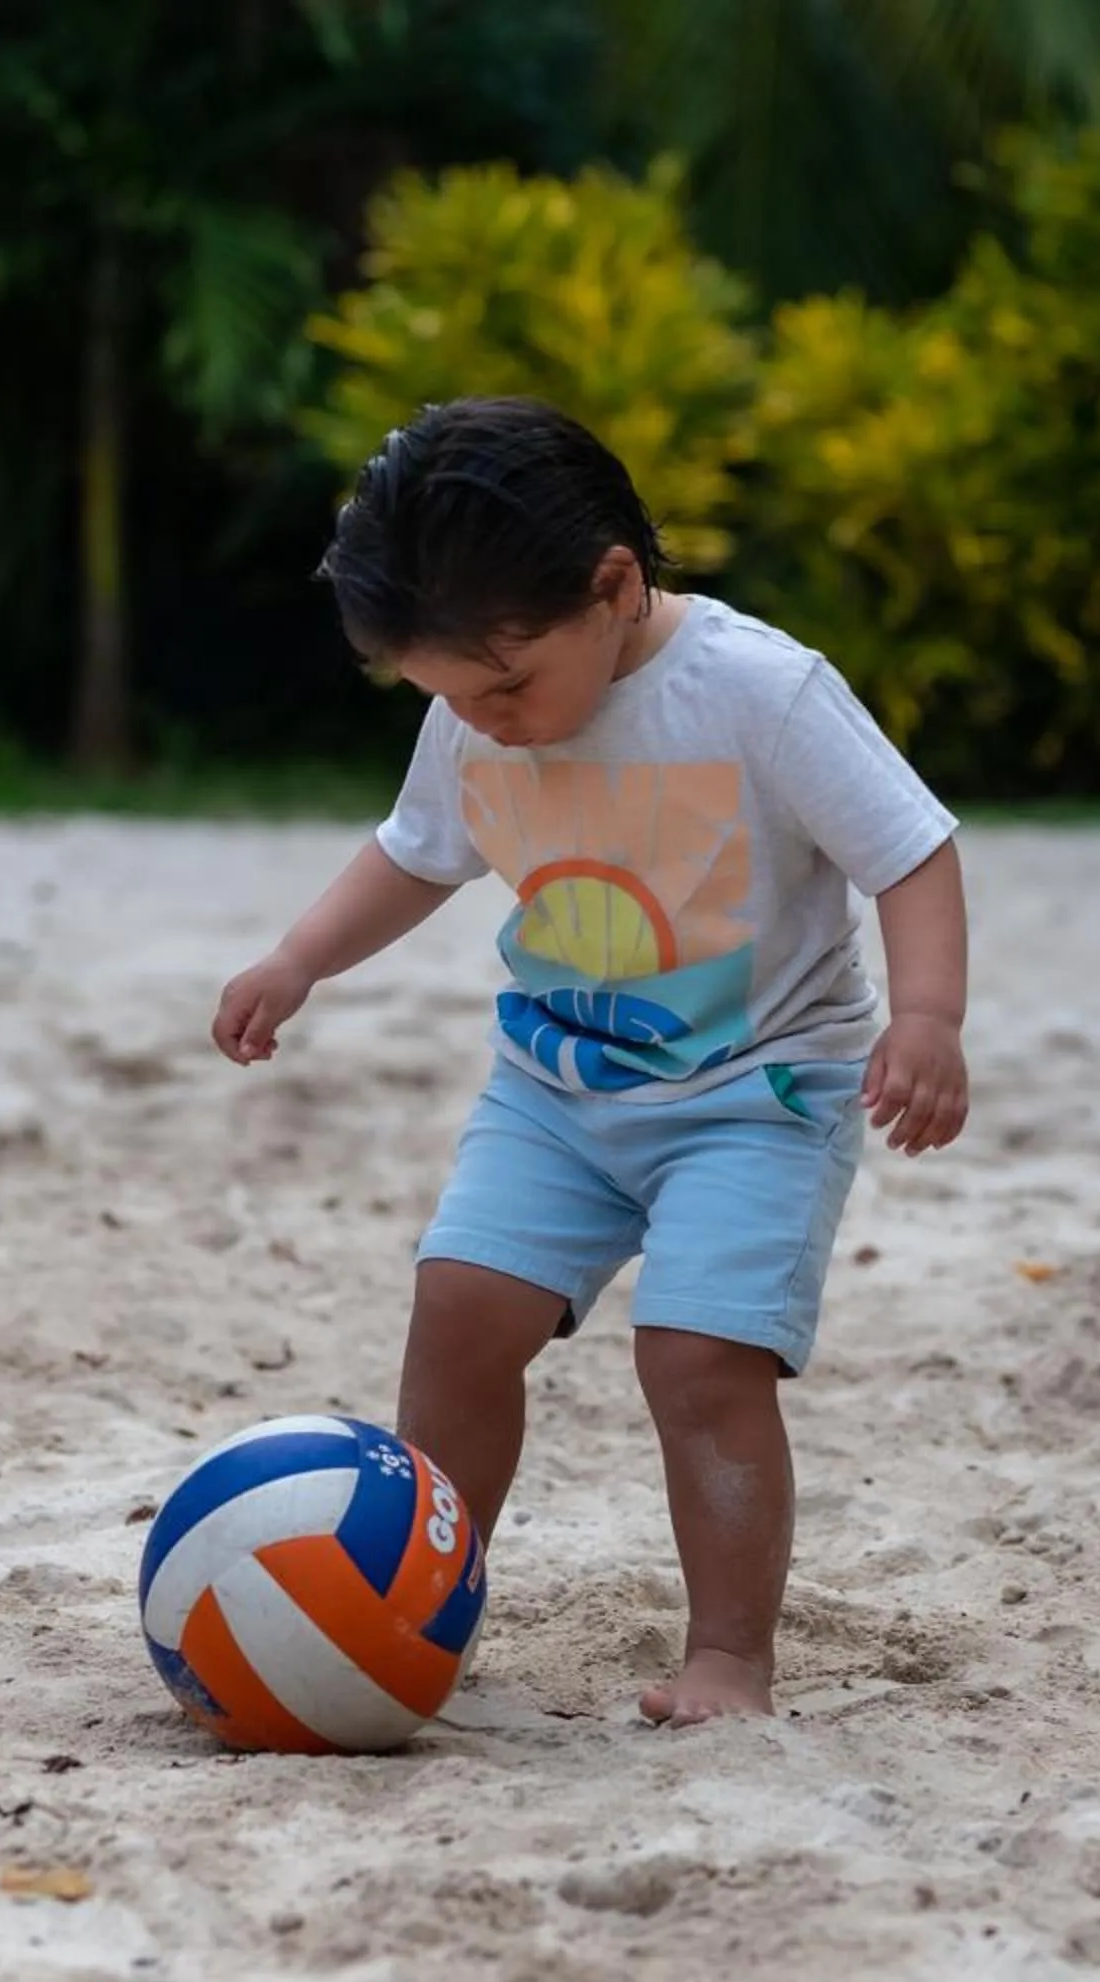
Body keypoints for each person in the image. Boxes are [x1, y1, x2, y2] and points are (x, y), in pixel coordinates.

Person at [211, 396, 970, 1724]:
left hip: (758, 1093)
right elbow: (415, 852)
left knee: (695, 1358)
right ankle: (417, 1605)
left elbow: (909, 849)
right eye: (454, 697)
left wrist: (927, 1022)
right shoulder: (473, 712)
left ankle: (729, 1653)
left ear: (616, 587)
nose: (491, 723)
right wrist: (299, 959)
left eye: (508, 686)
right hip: (556, 1092)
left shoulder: (758, 691)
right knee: (457, 1308)